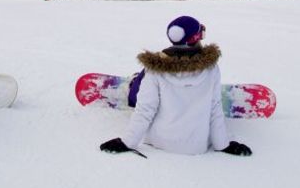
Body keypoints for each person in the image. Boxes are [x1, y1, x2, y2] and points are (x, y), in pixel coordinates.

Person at [99, 15, 252, 157]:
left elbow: (145, 110)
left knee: (143, 78)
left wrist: (127, 142)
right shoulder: (211, 69)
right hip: (196, 146)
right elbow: (215, 108)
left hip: (159, 141)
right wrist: (223, 145)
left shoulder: (155, 70)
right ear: (196, 38)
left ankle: (133, 86)